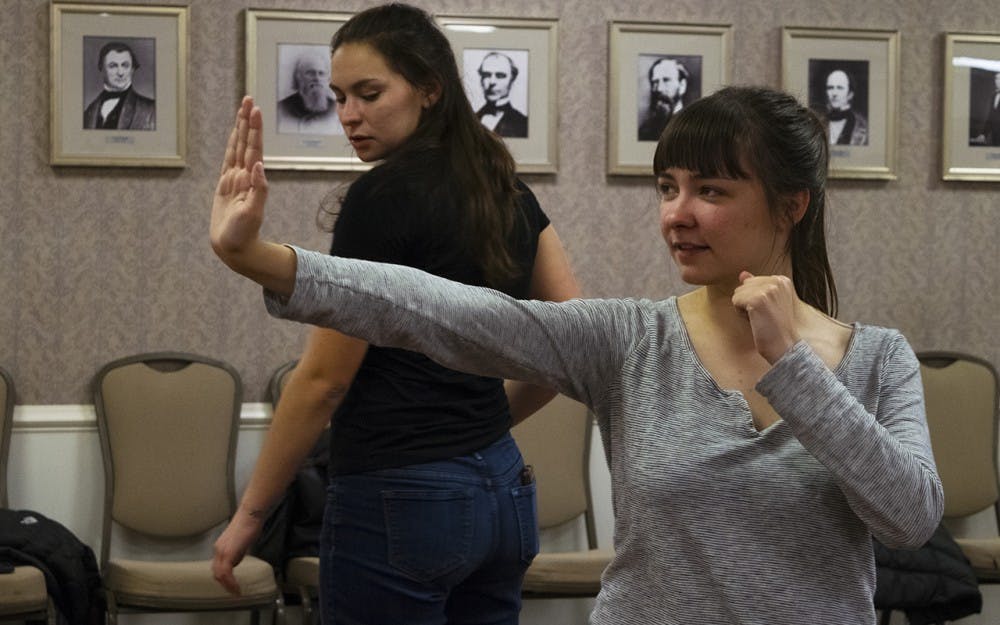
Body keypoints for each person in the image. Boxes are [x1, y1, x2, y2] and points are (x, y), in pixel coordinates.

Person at [212, 84, 943, 624]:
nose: (675, 214)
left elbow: (909, 518)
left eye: (710, 189)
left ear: (792, 205)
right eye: (667, 187)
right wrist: (266, 259)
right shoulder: (630, 338)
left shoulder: (877, 357)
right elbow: (444, 311)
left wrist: (795, 369)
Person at [210, 4, 579, 624]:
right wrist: (482, 428)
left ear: (429, 89)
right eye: (339, 97)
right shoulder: (508, 191)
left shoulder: (380, 197)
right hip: (503, 492)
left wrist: (251, 514)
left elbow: (325, 381)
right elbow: (570, 337)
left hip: (402, 495)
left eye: (369, 93)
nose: (349, 114)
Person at [83, 41, 155, 130]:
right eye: (113, 66)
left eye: (125, 65)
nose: (120, 73)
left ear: (132, 69)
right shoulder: (88, 112)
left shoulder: (151, 110)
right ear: (101, 68)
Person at [276, 49, 341, 135]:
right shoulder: (282, 108)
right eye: (310, 73)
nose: (317, 79)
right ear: (299, 77)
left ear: (327, 79)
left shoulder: (337, 109)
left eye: (321, 73)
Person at [475, 52, 528, 138]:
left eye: (500, 76)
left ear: (512, 79)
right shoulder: (470, 119)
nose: (492, 82)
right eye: (486, 75)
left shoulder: (524, 124)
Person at [637, 57, 688, 141]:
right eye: (655, 82)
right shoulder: (644, 131)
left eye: (666, 80)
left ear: (682, 85)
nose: (659, 88)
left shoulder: (695, 127)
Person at [822, 68, 868, 146]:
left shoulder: (863, 126)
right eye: (830, 88)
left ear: (850, 94)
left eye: (840, 88)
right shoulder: (819, 121)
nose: (834, 93)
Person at [971, 71, 1000, 146]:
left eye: (999, 79)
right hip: (995, 137)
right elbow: (991, 118)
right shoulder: (994, 96)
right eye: (996, 78)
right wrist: (983, 134)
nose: (997, 81)